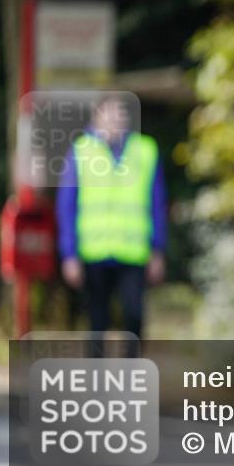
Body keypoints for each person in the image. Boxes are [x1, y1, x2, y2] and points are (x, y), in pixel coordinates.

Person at [56, 95, 167, 349]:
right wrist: (69, 254)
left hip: (134, 252)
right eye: (112, 113)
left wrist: (157, 249)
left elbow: (158, 203)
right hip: (94, 252)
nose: (118, 119)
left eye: (122, 114)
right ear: (97, 116)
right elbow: (67, 206)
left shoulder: (145, 150)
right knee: (96, 320)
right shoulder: (81, 150)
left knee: (134, 316)